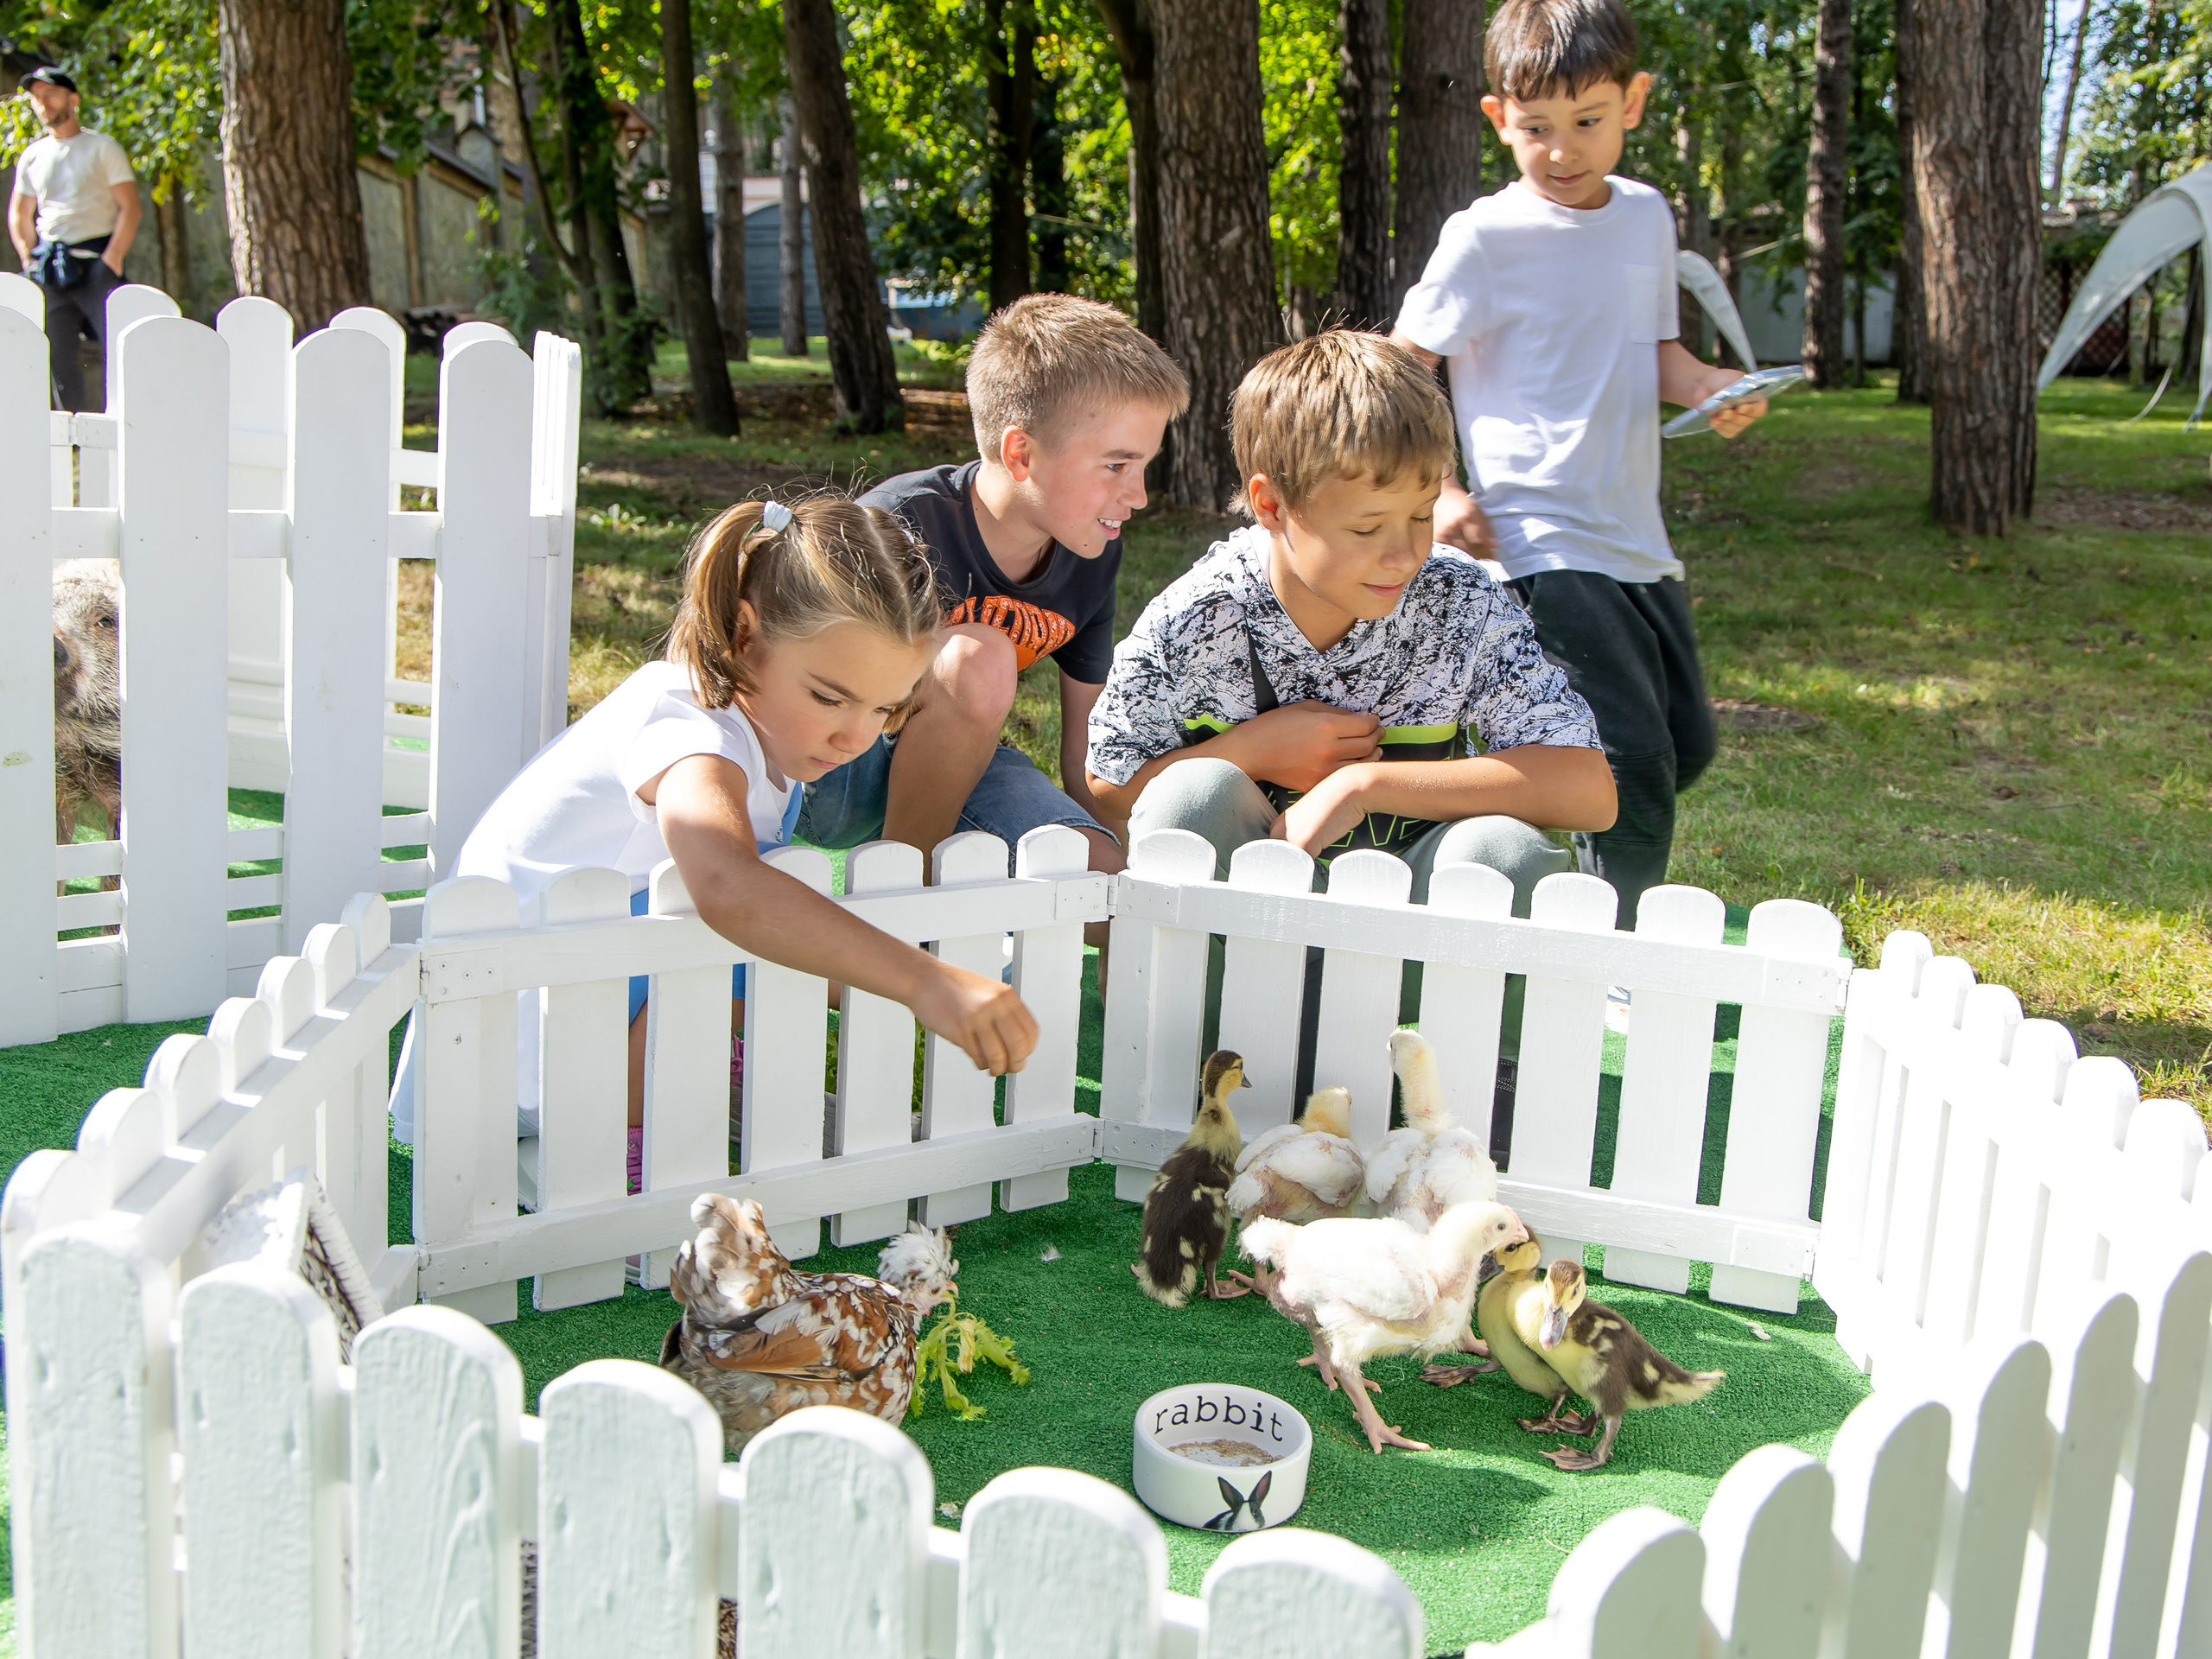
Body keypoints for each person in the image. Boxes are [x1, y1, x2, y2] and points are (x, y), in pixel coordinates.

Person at [394, 499, 1039, 1193]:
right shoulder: (685, 723)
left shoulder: (759, 738)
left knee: (784, 927)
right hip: (508, 1059)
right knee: (751, 920)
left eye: (884, 709)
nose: (856, 737)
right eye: (829, 697)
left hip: (552, 1026)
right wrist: (924, 982)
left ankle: (678, 1099)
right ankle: (624, 1140)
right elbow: (727, 887)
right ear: (741, 632)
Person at [1084, 330, 1615, 1113]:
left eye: (1423, 515)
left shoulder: (1462, 600)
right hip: (1254, 945)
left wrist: (1365, 785)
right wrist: (1250, 750)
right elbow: (1111, 791)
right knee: (1190, 797)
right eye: (1367, 528)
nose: (1403, 554)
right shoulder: (1200, 615)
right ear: (1271, 505)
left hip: (1406, 941)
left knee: (1501, 851)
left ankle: (1475, 1090)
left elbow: (1589, 790)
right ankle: (1200, 1077)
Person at [1388, 0, 1766, 931]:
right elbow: (1400, 370)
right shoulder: (1484, 236)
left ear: (1633, 102)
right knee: (1629, 760)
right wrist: (1437, 492)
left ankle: (1497, 833)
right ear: (1496, 120)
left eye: (1586, 122)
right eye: (1535, 130)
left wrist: (1717, 387)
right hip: (1535, 538)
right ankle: (1611, 956)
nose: (1561, 151)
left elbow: (1660, 357)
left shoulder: (1644, 218)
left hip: (1636, 537)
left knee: (1684, 745)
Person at [800, 294, 1189, 942]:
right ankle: (901, 914)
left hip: (955, 768)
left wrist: (1116, 847)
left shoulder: (1092, 554)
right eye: (1117, 466)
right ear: (1021, 455)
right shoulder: (896, 526)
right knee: (978, 660)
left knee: (1105, 889)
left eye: (1144, 466)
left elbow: (1084, 749)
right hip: (822, 770)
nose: (1139, 495)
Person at [7, 66, 142, 412]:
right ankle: (74, 445)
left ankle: (127, 423)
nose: (43, 103)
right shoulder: (33, 156)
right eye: (37, 98)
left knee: (120, 347)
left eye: (50, 94)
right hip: (49, 267)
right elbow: (20, 213)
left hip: (97, 261)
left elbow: (130, 208)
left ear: (73, 99)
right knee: (57, 357)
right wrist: (27, 258)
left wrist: (111, 260)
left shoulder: (102, 148)